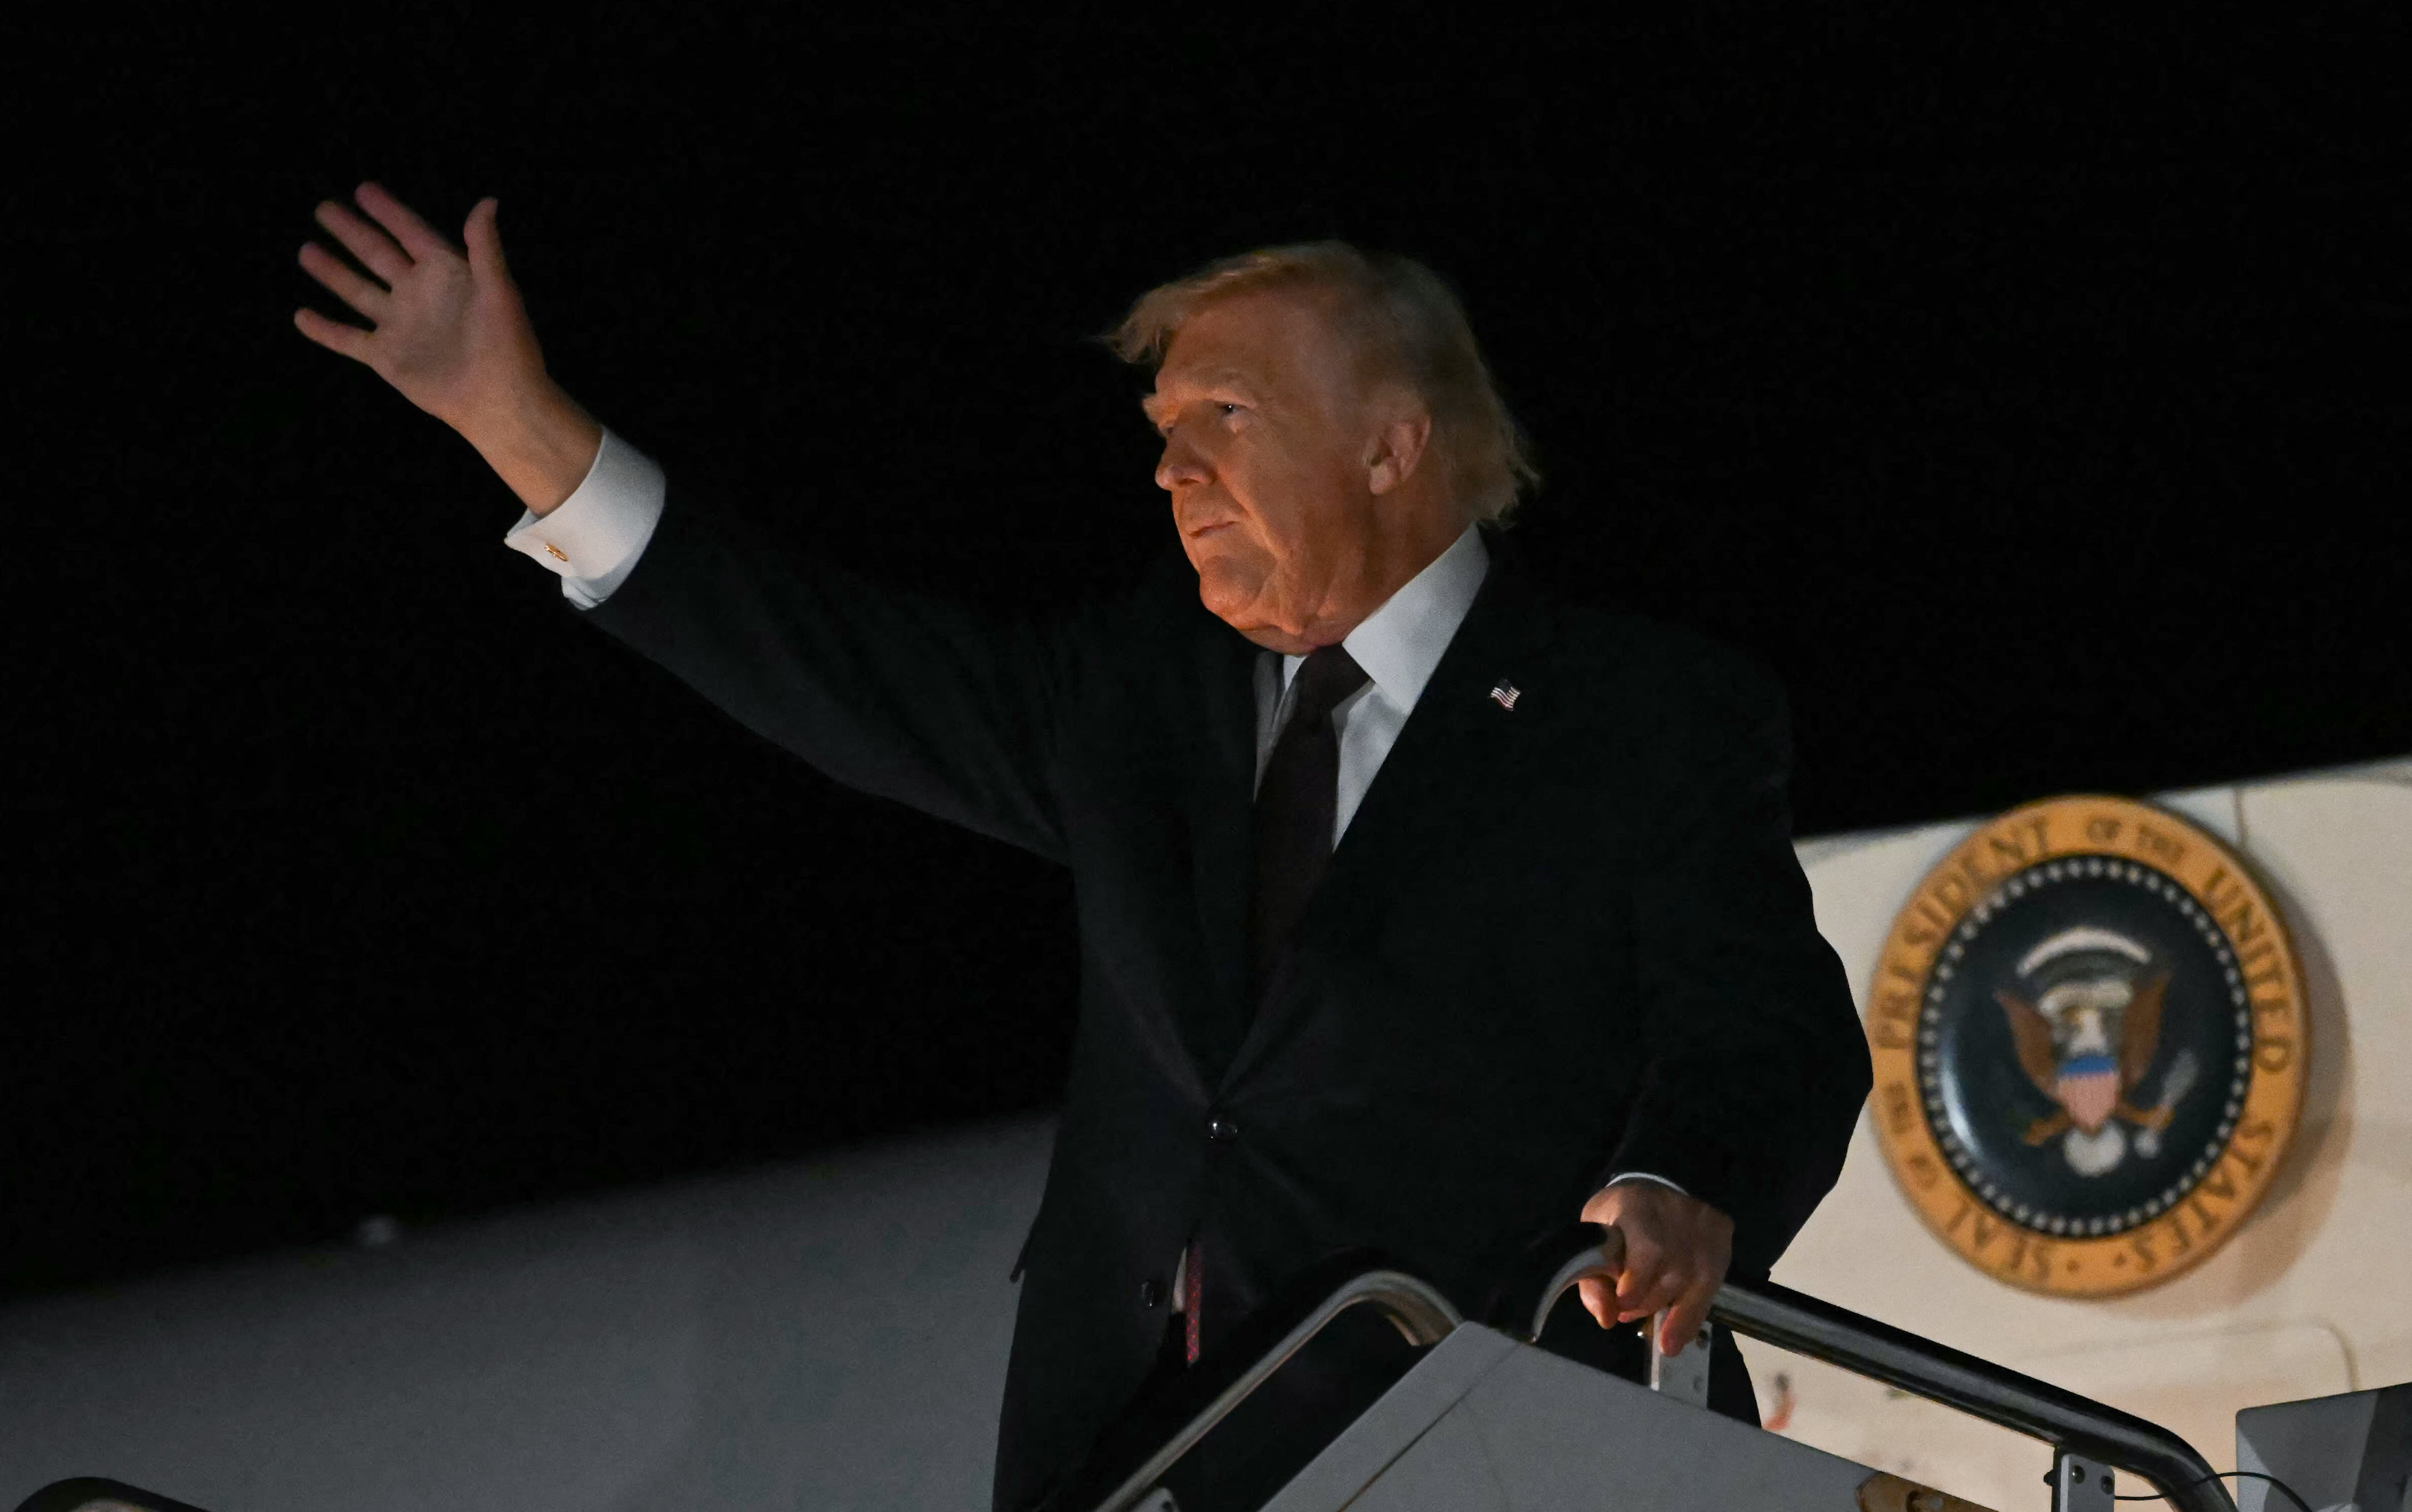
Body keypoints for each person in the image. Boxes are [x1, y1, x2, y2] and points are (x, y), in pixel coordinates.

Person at [294, 183, 1872, 1510]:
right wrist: (517, 424)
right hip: (1139, 1460)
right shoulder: (1136, 696)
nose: (1173, 469)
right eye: (1163, 429)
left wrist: (1681, 1181)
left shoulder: (1639, 711)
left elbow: (1773, 1030)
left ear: (1390, 448)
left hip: (1488, 1443)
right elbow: (835, 664)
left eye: (1225, 417)